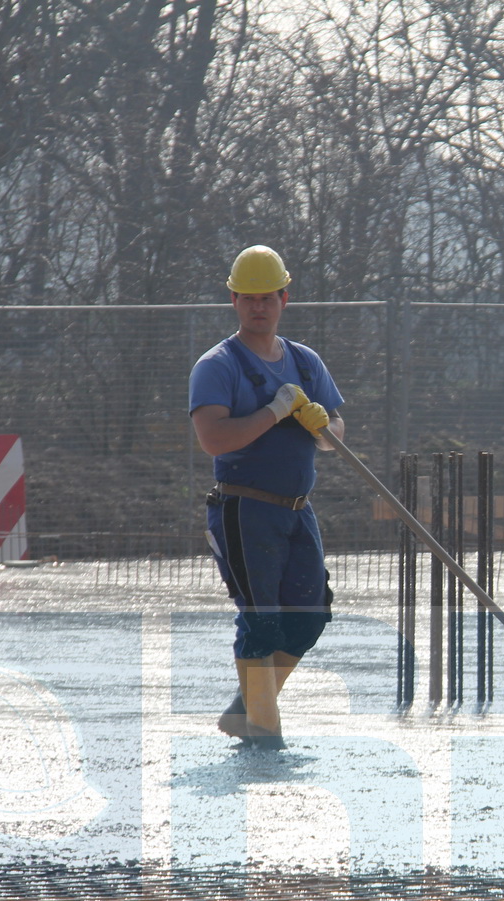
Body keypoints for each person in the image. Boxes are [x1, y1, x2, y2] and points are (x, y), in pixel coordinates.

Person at [188, 245, 345, 750]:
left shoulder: (305, 361)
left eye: (268, 297)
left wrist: (325, 425)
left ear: (284, 298)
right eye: (248, 298)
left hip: (298, 511)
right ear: (233, 300)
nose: (259, 307)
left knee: (310, 614)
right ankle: (264, 729)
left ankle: (247, 708)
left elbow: (336, 434)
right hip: (244, 507)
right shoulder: (218, 366)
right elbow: (214, 439)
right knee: (261, 618)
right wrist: (274, 412)